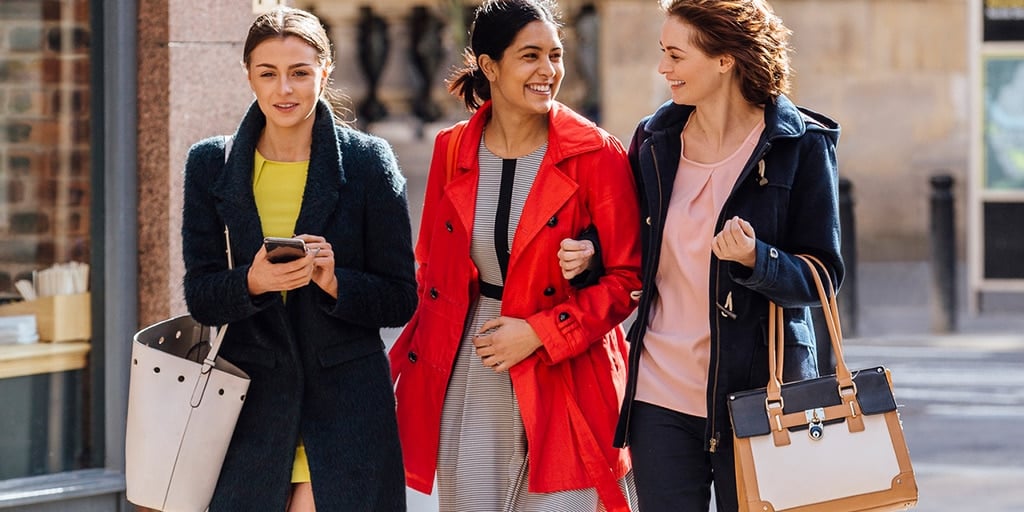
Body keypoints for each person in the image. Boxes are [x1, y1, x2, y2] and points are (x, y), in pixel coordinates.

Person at [564, 0, 844, 510]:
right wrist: (591, 252)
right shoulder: (655, 140)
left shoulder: (799, 143)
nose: (662, 68)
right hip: (659, 396)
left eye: (675, 55)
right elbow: (634, 242)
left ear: (724, 59)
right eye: (662, 53)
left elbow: (824, 277)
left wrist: (760, 259)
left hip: (763, 394)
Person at [387, 0, 642, 510]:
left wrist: (540, 333)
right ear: (490, 65)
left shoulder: (596, 152)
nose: (548, 72)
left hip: (569, 366)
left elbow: (629, 278)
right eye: (530, 56)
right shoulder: (452, 149)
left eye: (555, 55)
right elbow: (431, 267)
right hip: (476, 362)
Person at [180, 7, 416, 511]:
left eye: (300, 73)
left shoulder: (368, 162)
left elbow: (400, 298)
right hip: (248, 414)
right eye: (268, 74)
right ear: (248, 75)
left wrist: (337, 283)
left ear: (325, 72)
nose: (284, 89)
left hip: (347, 414)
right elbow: (200, 295)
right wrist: (252, 282)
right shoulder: (210, 163)